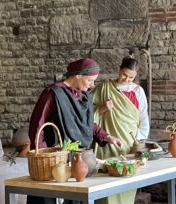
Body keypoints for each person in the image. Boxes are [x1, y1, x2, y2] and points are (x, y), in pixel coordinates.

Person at [27, 58, 122, 204]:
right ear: (78, 76)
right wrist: (44, 157)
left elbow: (88, 124)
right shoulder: (53, 94)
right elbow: (37, 127)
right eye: (90, 80)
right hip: (56, 159)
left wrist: (108, 137)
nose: (92, 85)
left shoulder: (84, 96)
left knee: (75, 198)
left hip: (78, 159)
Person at [91, 55, 149, 204]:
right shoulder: (104, 87)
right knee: (105, 183)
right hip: (107, 143)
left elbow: (143, 119)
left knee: (126, 182)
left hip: (128, 145)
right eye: (124, 74)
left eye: (131, 77)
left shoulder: (138, 91)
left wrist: (138, 144)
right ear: (119, 70)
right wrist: (102, 108)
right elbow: (85, 113)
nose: (126, 79)